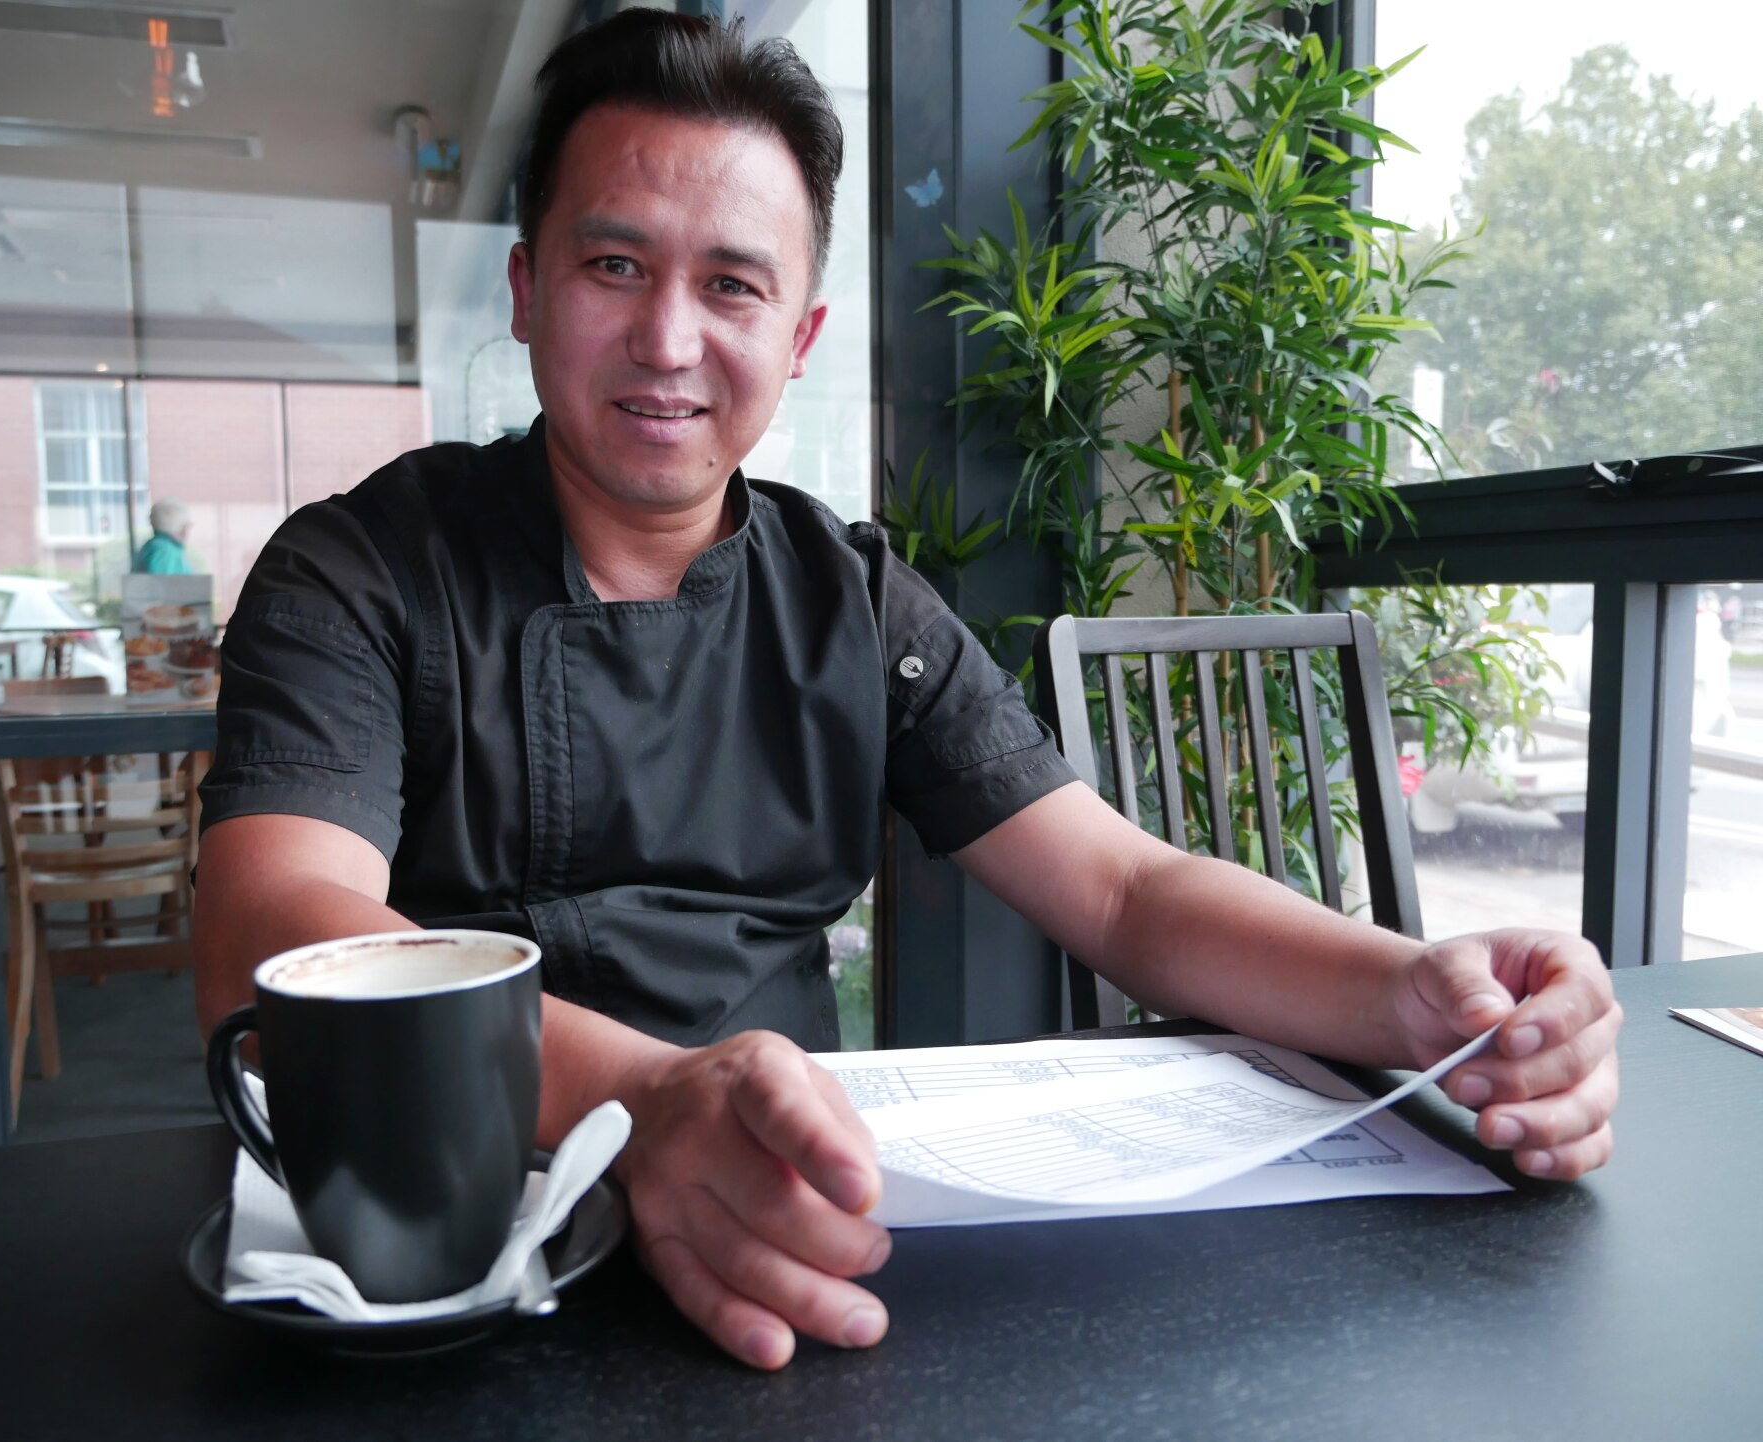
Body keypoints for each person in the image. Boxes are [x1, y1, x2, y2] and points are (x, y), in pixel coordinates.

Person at [193, 12, 1620, 1373]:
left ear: (800, 337)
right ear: (525, 288)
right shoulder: (357, 570)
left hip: (797, 1225)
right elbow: (277, 929)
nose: (670, 340)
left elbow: (1124, 889)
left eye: (733, 285)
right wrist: (650, 1095)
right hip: (448, 1242)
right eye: (614, 264)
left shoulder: (854, 599)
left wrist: (1411, 992)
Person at [133, 498, 194, 574]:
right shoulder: (165, 551)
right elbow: (160, 581)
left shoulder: (155, 546)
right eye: (188, 525)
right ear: (181, 527)